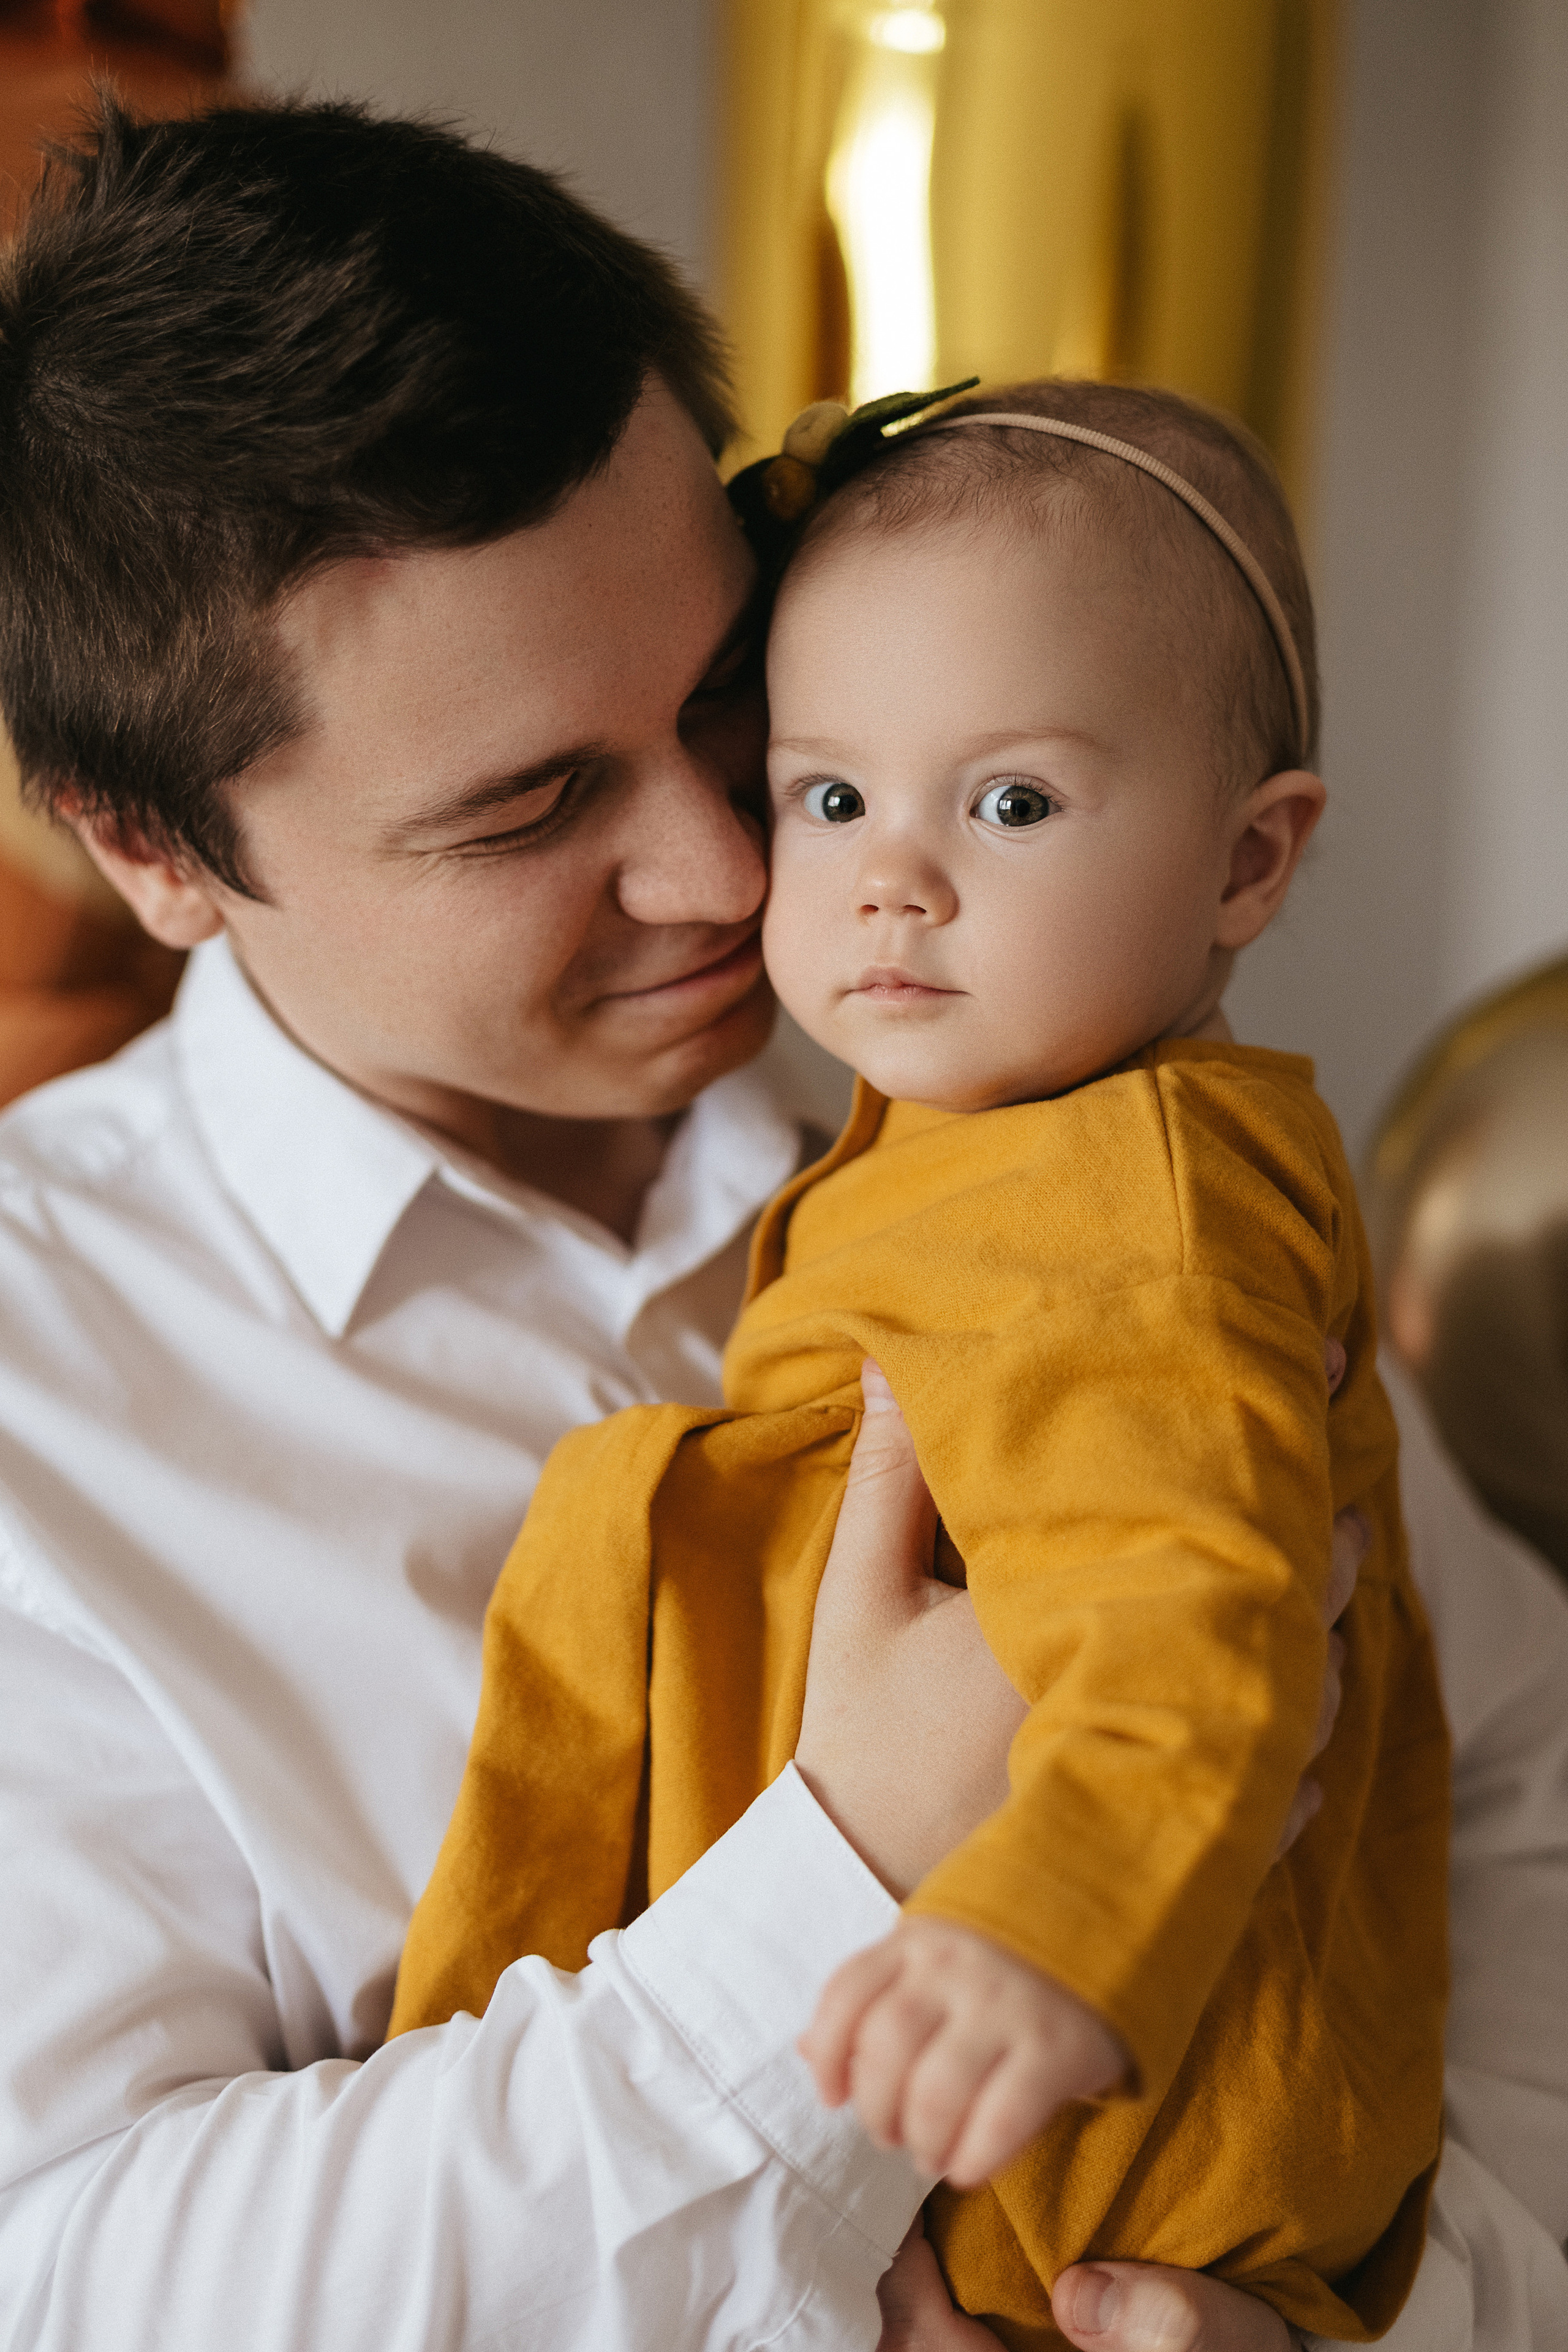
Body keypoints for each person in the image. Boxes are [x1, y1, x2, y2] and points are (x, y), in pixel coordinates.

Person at [0, 95, 1561, 2352]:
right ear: (149, 846)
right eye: (534, 805)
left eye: (738, 706)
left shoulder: (1061, 1101)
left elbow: (1515, 1769)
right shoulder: (45, 1414)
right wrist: (854, 1863)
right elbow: (70, 2276)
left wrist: (1427, 2314)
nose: (741, 880)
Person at [388, 379, 1447, 2344]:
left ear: (1247, 865)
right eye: (829, 795)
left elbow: (1198, 1611)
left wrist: (1048, 1932)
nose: (895, 877)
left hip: (1091, 2133)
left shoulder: (1142, 1191)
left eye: (1014, 801)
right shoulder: (984, 1139)